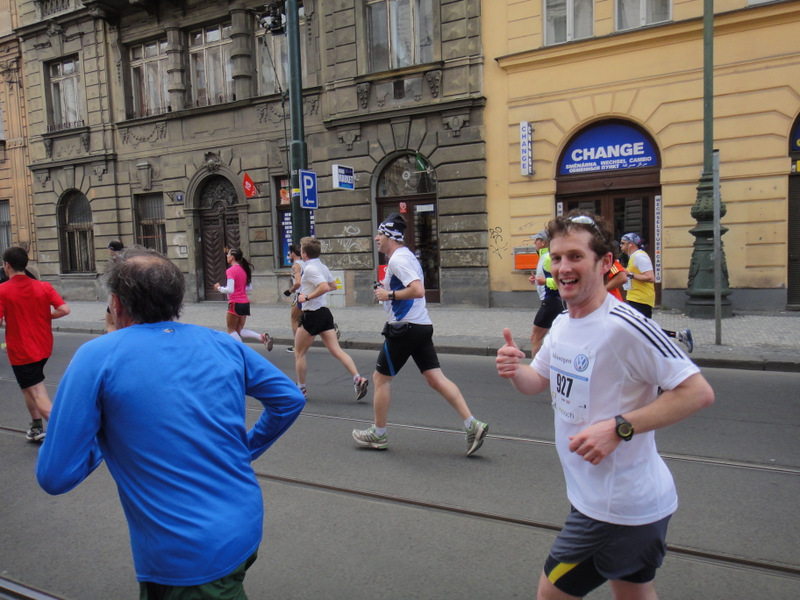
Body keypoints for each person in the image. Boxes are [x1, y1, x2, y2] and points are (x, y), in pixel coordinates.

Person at [36, 247, 305, 598]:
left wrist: (99, 434)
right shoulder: (222, 343)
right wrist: (246, 449)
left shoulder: (97, 357)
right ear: (177, 301)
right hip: (245, 523)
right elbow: (289, 399)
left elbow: (55, 476)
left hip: (186, 557)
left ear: (116, 304)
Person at [496, 212, 714, 600]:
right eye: (557, 257)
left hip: (617, 509)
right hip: (605, 501)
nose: (563, 267)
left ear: (605, 263)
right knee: (633, 593)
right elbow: (537, 382)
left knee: (551, 594)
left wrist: (619, 427)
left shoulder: (625, 326)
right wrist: (516, 369)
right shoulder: (563, 323)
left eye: (576, 257)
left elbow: (696, 392)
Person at [352, 213, 488, 456]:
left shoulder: (398, 260)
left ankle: (378, 434)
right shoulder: (407, 257)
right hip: (421, 326)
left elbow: (417, 290)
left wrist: (389, 295)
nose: (376, 238)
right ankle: (472, 425)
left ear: (390, 237)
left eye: (380, 234)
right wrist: (386, 289)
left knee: (380, 379)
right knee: (435, 378)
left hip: (405, 328)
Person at [0, 246, 70, 442]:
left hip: (22, 351)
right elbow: (65, 310)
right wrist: (46, 315)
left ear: (7, 266)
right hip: (43, 347)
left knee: (37, 391)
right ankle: (36, 426)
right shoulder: (43, 286)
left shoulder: (2, 290)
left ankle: (66, 435)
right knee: (27, 387)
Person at [293, 236, 368, 401]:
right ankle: (358, 379)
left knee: (299, 352)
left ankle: (301, 389)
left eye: (301, 250)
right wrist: (316, 293)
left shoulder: (311, 269)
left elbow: (325, 287)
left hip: (312, 314)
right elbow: (333, 286)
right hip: (324, 314)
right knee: (336, 351)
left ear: (304, 253)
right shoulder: (322, 266)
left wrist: (307, 297)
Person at [620, 233, 694, 352]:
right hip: (636, 297)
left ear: (631, 244)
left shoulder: (640, 257)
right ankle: (679, 337)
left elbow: (650, 277)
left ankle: (674, 343)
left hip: (641, 298)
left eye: (623, 243)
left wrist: (631, 274)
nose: (620, 246)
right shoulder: (633, 257)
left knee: (643, 329)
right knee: (643, 329)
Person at [214, 247, 273, 351]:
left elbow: (230, 289)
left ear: (232, 257)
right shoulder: (243, 270)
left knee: (231, 330)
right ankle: (261, 337)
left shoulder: (231, 271)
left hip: (235, 303)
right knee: (239, 330)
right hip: (245, 303)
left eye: (228, 255)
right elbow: (249, 288)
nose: (226, 256)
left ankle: (243, 352)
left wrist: (219, 288)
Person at [528, 230, 564, 358]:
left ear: (543, 242)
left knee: (535, 337)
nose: (534, 243)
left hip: (551, 301)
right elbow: (546, 279)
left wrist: (544, 281)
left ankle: (536, 370)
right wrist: (536, 281)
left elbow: (560, 280)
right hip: (551, 301)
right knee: (556, 337)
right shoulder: (543, 257)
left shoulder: (549, 257)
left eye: (536, 240)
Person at [283, 244, 304, 353]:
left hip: (300, 295)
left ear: (293, 254)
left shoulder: (296, 266)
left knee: (294, 319)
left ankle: (297, 346)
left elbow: (298, 283)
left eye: (289, 253)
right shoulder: (305, 263)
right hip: (308, 294)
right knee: (306, 318)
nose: (289, 256)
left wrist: (289, 291)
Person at [104, 240, 124, 333]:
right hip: (127, 294)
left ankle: (113, 342)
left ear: (112, 249)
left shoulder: (115, 261)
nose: (108, 251)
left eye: (108, 249)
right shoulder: (127, 258)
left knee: (110, 322)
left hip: (116, 294)